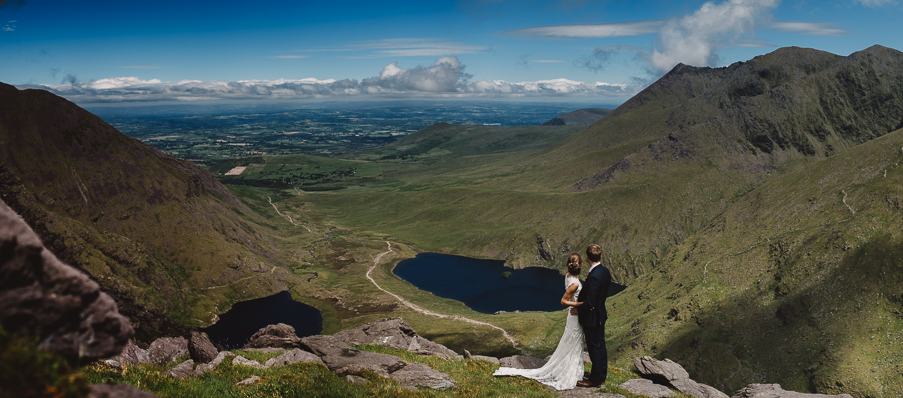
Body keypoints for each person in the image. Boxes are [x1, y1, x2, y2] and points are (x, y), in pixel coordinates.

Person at [492, 253, 586, 390]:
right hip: (575, 316)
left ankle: (570, 367)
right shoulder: (574, 284)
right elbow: (563, 301)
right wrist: (580, 304)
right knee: (574, 342)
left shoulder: (569, 277)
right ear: (580, 265)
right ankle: (569, 371)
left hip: (573, 316)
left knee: (571, 342)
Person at [572, 244, 611, 388]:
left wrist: (577, 309)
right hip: (600, 314)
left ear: (587, 257)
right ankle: (600, 374)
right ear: (600, 256)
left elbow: (589, 302)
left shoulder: (594, 276)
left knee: (594, 348)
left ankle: (595, 380)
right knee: (600, 346)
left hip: (592, 318)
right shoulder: (604, 271)